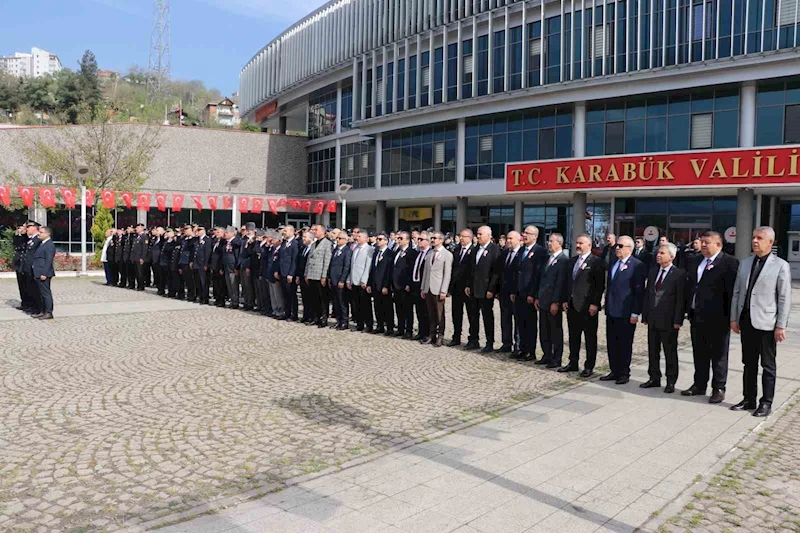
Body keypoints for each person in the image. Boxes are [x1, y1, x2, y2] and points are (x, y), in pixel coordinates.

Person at [729, 227, 792, 417]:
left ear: (770, 242)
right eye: (753, 237)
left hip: (767, 322)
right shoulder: (746, 263)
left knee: (767, 365)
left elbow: (784, 297)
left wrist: (781, 325)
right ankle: (749, 399)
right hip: (746, 321)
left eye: (759, 238)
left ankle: (766, 403)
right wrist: (734, 317)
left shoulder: (780, 265)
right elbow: (737, 292)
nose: (755, 241)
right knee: (748, 363)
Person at [683, 231, 739, 403]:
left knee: (719, 355)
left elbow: (732, 293)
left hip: (718, 317)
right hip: (697, 315)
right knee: (699, 353)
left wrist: (732, 317)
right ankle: (699, 384)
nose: (704, 245)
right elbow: (690, 287)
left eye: (707, 242)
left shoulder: (729, 263)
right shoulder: (695, 261)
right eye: (702, 242)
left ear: (719, 245)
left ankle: (718, 388)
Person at [641, 242, 686, 393]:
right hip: (653, 318)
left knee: (669, 351)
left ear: (671, 257)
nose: (658, 255)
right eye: (658, 253)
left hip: (669, 320)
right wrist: (645, 315)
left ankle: (671, 381)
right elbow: (648, 294)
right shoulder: (653, 271)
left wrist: (678, 320)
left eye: (662, 253)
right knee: (653, 350)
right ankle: (654, 377)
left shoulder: (679, 274)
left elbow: (681, 299)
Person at [601, 235, 647, 385]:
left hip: (626, 312)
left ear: (629, 248)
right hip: (612, 310)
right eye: (617, 246)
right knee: (612, 342)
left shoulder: (637, 265)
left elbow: (638, 291)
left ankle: (624, 373)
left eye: (620, 246)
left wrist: (635, 312)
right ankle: (614, 370)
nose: (617, 248)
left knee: (624, 344)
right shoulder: (614, 262)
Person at [563, 233, 606, 377]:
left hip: (588, 307)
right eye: (577, 242)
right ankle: (573, 362)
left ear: (589, 245)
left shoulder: (596, 262)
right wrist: (565, 300)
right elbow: (568, 283)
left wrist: (595, 303)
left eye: (581, 243)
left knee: (589, 338)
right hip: (572, 305)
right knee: (573, 336)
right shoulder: (572, 261)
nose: (578, 245)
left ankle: (589, 366)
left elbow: (599, 285)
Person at [535, 233, 569, 368]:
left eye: (551, 241)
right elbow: (542, 280)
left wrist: (556, 302)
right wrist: (538, 296)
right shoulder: (548, 258)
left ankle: (556, 358)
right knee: (544, 329)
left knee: (555, 331)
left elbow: (560, 283)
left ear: (559, 243)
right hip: (543, 300)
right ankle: (546, 354)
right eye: (548, 241)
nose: (548, 243)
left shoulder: (563, 260)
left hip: (553, 302)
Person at [516, 226, 547, 361]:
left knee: (530, 324)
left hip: (529, 293)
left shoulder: (540, 251)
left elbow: (537, 275)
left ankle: (531, 351)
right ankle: (522, 349)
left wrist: (533, 294)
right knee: (520, 322)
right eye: (524, 232)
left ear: (535, 236)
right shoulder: (522, 249)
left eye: (528, 233)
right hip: (519, 292)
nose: (524, 235)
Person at [468, 226, 502, 353]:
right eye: (477, 234)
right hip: (474, 289)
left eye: (480, 234)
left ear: (489, 235)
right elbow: (471, 269)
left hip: (486, 290)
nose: (478, 236)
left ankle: (489, 342)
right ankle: (473, 340)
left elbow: (496, 272)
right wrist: (468, 285)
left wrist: (491, 289)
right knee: (473, 316)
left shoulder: (495, 249)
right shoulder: (476, 249)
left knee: (487, 316)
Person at [421, 231, 453, 347]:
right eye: (432, 238)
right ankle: (432, 334)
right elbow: (425, 272)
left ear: (441, 240)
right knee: (431, 313)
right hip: (428, 288)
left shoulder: (447, 254)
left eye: (435, 238)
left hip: (438, 288)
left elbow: (447, 274)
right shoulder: (429, 253)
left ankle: (440, 335)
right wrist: (423, 288)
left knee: (440, 314)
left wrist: (444, 290)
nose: (432, 240)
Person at [448, 229, 475, 347]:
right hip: (456, 287)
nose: (461, 238)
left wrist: (469, 285)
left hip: (468, 288)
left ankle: (473, 338)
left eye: (464, 236)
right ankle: (456, 336)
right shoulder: (457, 250)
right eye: (460, 236)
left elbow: (473, 271)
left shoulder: (474, 250)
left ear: (470, 237)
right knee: (456, 313)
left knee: (471, 314)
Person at [304, 224, 333, 327]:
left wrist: (324, 276)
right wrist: (306, 274)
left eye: (316, 230)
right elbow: (308, 260)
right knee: (314, 298)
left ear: (323, 231)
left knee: (323, 299)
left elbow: (327, 260)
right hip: (312, 274)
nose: (314, 231)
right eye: (314, 230)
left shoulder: (327, 244)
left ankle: (323, 318)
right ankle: (316, 317)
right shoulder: (313, 244)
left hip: (320, 275)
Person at [498, 231, 522, 354]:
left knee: (517, 320)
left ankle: (518, 346)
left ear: (519, 239)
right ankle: (506, 343)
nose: (508, 241)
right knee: (505, 319)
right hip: (504, 293)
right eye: (507, 238)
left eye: (511, 238)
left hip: (516, 293)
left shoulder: (522, 253)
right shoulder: (505, 253)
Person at [391, 231, 417, 338]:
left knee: (407, 309)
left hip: (405, 285)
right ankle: (400, 328)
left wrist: (408, 283)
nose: (399, 240)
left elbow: (411, 269)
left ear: (407, 240)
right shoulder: (397, 251)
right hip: (396, 285)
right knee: (399, 308)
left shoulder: (411, 252)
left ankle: (409, 330)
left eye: (401, 238)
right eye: (398, 238)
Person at [368, 233, 395, 335]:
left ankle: (390, 327)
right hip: (375, 284)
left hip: (384, 285)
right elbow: (373, 269)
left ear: (386, 241)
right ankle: (380, 326)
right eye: (377, 239)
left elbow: (389, 271)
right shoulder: (376, 253)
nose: (378, 241)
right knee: (377, 307)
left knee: (387, 308)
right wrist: (369, 284)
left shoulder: (390, 254)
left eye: (380, 239)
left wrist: (386, 285)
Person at [348, 230, 374, 332]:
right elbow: (352, 265)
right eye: (357, 236)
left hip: (362, 281)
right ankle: (359, 324)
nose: (357, 238)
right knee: (356, 304)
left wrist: (364, 280)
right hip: (354, 280)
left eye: (359, 236)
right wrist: (349, 279)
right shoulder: (356, 248)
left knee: (365, 305)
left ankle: (368, 324)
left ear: (365, 238)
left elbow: (368, 266)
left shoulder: (369, 249)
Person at [31, 226, 56, 320]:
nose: (39, 234)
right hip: (38, 272)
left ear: (47, 234)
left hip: (44, 273)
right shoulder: (42, 244)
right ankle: (43, 311)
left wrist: (44, 273)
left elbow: (49, 260)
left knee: (46, 293)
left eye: (41, 232)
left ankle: (49, 312)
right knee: (41, 293)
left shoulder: (49, 245)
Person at [329, 231, 352, 330]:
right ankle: (338, 320)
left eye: (339, 238)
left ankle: (344, 321)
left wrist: (342, 280)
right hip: (333, 279)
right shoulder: (335, 250)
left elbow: (346, 267)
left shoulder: (347, 251)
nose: (337, 240)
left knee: (342, 302)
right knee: (336, 302)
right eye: (337, 238)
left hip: (340, 280)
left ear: (345, 240)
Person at [410, 232, 431, 341]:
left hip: (424, 286)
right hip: (415, 285)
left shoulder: (430, 254)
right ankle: (421, 331)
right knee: (419, 310)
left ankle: (427, 333)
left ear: (428, 241)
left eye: (421, 239)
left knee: (426, 311)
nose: (418, 241)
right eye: (418, 239)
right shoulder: (418, 253)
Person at [277, 225, 300, 320]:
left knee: (291, 295)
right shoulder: (284, 243)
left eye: (285, 231)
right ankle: (287, 313)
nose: (283, 232)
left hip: (290, 274)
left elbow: (294, 260)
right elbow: (280, 258)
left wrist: (291, 273)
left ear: (291, 231)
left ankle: (293, 314)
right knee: (285, 295)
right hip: (282, 272)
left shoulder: (295, 243)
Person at [20, 221, 42, 315]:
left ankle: (38, 308)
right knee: (30, 288)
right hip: (28, 268)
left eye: (29, 227)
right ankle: (32, 306)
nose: (27, 229)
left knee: (35, 289)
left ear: (34, 228)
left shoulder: (38, 239)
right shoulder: (31, 239)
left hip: (34, 268)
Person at [192, 226, 212, 305]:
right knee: (197, 281)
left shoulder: (207, 240)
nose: (198, 232)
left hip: (202, 263)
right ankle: (200, 296)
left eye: (199, 230)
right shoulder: (196, 240)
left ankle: (205, 298)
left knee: (203, 282)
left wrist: (206, 264)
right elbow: (194, 251)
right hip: (196, 263)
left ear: (203, 231)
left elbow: (207, 253)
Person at [222, 226, 240, 309]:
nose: (225, 234)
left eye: (227, 232)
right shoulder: (226, 242)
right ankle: (232, 300)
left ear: (232, 233)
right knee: (229, 285)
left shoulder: (235, 242)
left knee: (234, 285)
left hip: (232, 267)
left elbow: (237, 255)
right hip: (226, 266)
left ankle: (235, 302)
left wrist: (236, 267)